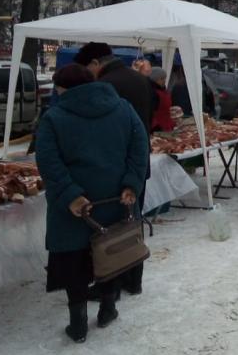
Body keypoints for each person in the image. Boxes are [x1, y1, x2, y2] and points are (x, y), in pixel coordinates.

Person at [35, 64, 148, 343]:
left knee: (74, 261)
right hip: (116, 199)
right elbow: (140, 147)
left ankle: (78, 323)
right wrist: (131, 183)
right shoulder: (123, 108)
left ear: (62, 88)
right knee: (111, 252)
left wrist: (71, 194)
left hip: (75, 206)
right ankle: (108, 308)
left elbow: (48, 161)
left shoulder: (54, 116)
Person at [73, 42, 153, 296]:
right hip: (138, 164)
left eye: (88, 68)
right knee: (132, 222)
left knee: (110, 230)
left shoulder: (106, 86)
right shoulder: (140, 79)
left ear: (96, 63)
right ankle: (134, 279)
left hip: (112, 167)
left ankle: (113, 285)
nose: (89, 74)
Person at [149, 67, 174, 133]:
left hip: (167, 126)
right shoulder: (153, 93)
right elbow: (150, 112)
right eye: (161, 79)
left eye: (164, 78)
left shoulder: (163, 90)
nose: (164, 81)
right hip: (158, 128)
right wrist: (156, 127)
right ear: (155, 79)